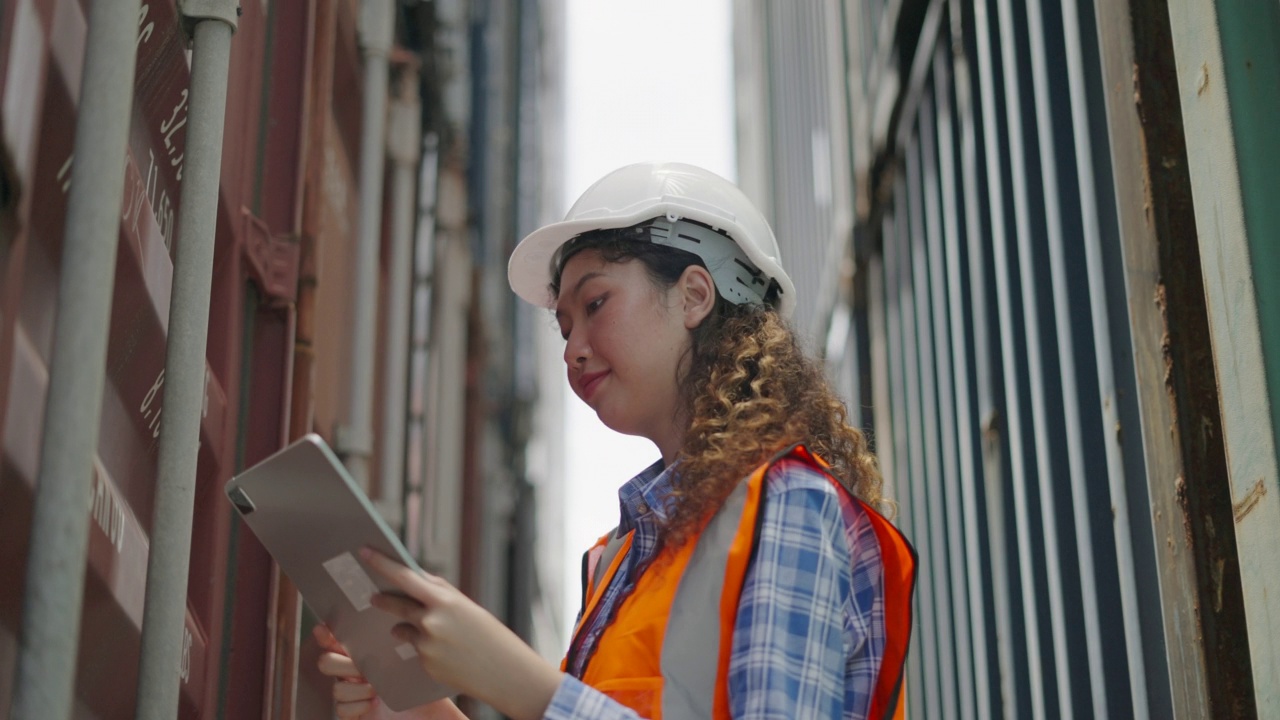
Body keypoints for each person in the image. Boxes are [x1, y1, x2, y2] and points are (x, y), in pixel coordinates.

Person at [316, 162, 917, 720]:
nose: (572, 348)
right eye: (564, 326)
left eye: (595, 303)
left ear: (693, 295)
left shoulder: (788, 505)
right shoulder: (619, 559)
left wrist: (520, 683)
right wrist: (417, 708)